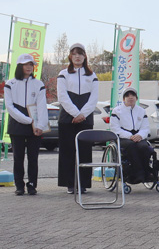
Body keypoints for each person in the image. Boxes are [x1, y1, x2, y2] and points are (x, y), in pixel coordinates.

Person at [57, 43, 99, 194]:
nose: (77, 56)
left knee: (84, 151)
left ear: (85, 56)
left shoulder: (92, 75)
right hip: (67, 118)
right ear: (70, 56)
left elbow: (94, 99)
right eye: (74, 54)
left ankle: (83, 183)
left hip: (85, 118)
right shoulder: (63, 74)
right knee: (67, 150)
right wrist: (75, 114)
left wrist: (82, 115)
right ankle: (69, 183)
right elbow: (62, 96)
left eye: (80, 54)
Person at [5, 53, 48, 195]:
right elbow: (10, 107)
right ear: (19, 66)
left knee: (33, 157)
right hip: (17, 124)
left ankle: (32, 185)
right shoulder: (9, 84)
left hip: (35, 126)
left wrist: (40, 125)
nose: (29, 67)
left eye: (31, 64)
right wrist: (29, 121)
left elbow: (42, 106)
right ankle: (19, 186)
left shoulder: (39, 84)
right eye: (26, 64)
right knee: (18, 157)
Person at [110, 87, 153, 184]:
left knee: (144, 147)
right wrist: (130, 136)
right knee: (131, 146)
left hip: (138, 136)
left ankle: (147, 172)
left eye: (133, 95)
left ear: (136, 98)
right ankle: (138, 174)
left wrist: (140, 135)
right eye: (128, 96)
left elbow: (145, 128)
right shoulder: (117, 111)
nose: (130, 97)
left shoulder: (141, 111)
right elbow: (115, 128)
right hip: (123, 137)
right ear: (123, 98)